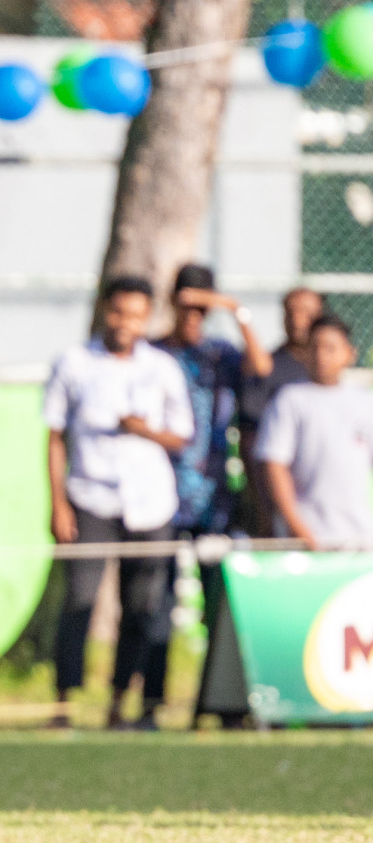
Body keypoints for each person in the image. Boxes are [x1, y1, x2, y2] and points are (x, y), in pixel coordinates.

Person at [44, 277, 194, 730]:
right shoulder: (73, 362)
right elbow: (54, 436)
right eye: (118, 312)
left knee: (144, 606)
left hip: (150, 503)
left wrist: (143, 430)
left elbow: (182, 436)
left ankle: (121, 703)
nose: (125, 323)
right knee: (79, 601)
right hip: (90, 497)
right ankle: (64, 704)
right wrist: (58, 503)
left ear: (147, 318)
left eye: (135, 314)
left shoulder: (162, 367)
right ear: (104, 312)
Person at [141, 265, 268, 728]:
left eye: (202, 306)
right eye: (187, 304)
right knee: (156, 604)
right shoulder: (153, 352)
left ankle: (221, 704)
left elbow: (260, 369)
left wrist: (236, 310)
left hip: (215, 499)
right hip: (158, 496)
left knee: (219, 604)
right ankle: (152, 703)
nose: (193, 314)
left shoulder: (221, 353)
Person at [256, 314, 373, 550]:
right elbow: (274, 465)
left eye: (331, 348)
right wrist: (298, 528)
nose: (322, 356)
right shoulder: (290, 399)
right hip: (309, 537)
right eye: (315, 347)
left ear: (350, 353)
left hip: (360, 537)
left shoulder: (365, 401)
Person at [238, 288, 323, 537]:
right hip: (278, 499)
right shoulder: (268, 368)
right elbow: (250, 437)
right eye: (291, 312)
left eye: (306, 312)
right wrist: (262, 502)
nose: (297, 320)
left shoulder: (325, 376)